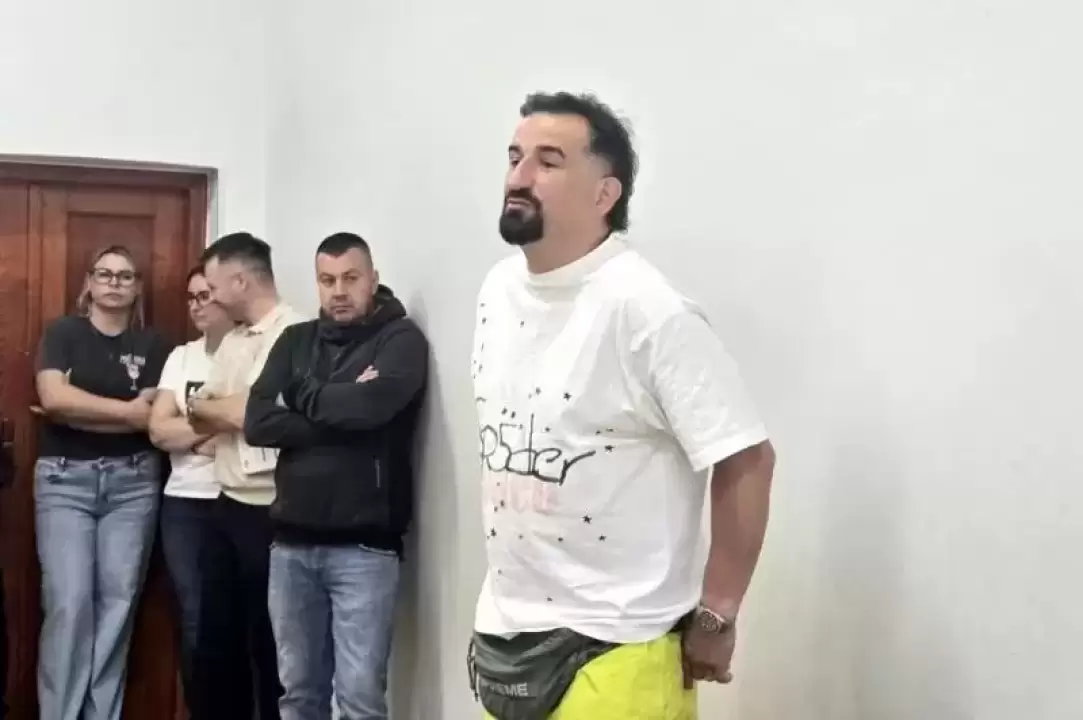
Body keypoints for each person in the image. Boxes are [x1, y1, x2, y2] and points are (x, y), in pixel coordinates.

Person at [466, 92, 777, 720]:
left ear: (604, 194)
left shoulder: (647, 310)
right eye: (515, 157)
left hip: (619, 653)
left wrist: (717, 614)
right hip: (504, 641)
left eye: (548, 162)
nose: (519, 177)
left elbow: (747, 458)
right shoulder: (497, 290)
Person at [245, 232, 428, 720]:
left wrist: (299, 394)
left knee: (359, 700)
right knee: (298, 696)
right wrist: (340, 411)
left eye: (351, 278)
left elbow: (371, 409)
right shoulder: (295, 340)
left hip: (364, 551)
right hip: (290, 548)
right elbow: (257, 421)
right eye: (327, 280)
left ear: (373, 278)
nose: (339, 291)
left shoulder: (400, 340)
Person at [33, 245, 172, 720]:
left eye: (125, 276)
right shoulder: (63, 333)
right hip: (63, 481)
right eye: (104, 274)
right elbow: (54, 398)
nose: (114, 282)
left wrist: (80, 409)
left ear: (137, 287)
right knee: (69, 604)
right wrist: (124, 411)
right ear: (89, 283)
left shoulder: (156, 345)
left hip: (133, 483)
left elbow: (150, 417)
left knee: (118, 605)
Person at [187, 232, 306, 720]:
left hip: (273, 513)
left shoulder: (296, 334)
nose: (211, 298)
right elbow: (199, 412)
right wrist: (225, 409)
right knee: (216, 645)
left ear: (241, 280)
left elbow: (251, 415)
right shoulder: (233, 341)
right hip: (226, 505)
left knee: (271, 645)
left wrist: (228, 409)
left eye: (215, 287)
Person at [148, 265, 235, 719]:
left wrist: (190, 431)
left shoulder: (251, 351)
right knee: (195, 616)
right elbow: (158, 431)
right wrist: (213, 431)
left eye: (205, 295)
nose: (197, 305)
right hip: (183, 502)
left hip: (236, 500)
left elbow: (253, 427)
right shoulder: (181, 357)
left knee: (240, 617)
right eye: (191, 297)